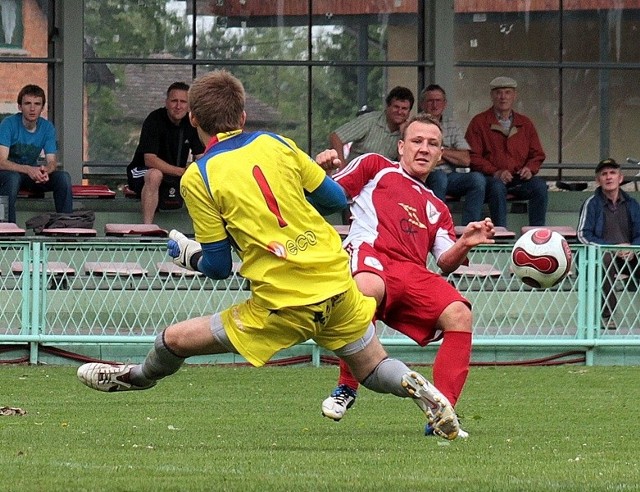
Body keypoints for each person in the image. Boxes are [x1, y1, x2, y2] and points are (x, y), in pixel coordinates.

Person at [77, 70, 462, 441]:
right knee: (372, 366)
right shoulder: (275, 143)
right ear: (243, 116)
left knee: (172, 340)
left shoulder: (200, 176)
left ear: (193, 117)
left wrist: (187, 254)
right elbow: (333, 199)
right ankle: (419, 387)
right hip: (334, 280)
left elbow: (217, 266)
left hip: (283, 301)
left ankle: (135, 376)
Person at [319, 113, 496, 437]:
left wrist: (465, 242)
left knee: (460, 313)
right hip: (372, 255)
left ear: (441, 154)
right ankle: (347, 387)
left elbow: (444, 261)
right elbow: (330, 195)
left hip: (412, 272)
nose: (424, 148)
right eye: (417, 141)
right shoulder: (375, 166)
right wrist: (324, 172)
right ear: (401, 146)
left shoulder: (437, 207)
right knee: (366, 288)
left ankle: (442, 415)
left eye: (433, 144)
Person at [465, 76, 547, 227]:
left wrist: (530, 168)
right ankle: (501, 233)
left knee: (540, 187)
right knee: (497, 188)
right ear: (492, 96)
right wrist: (496, 172)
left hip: (518, 178)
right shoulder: (479, 122)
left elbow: (537, 154)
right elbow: (472, 156)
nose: (503, 97)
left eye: (507, 92)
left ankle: (537, 233)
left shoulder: (525, 123)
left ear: (514, 96)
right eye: (498, 93)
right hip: (490, 178)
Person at [126, 82, 205, 224]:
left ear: (189, 106)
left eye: (183, 102)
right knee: (155, 174)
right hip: (142, 172)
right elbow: (149, 160)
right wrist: (182, 172)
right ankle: (146, 229)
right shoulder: (154, 120)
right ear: (167, 103)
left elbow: (201, 156)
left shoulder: (191, 123)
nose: (178, 106)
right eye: (174, 101)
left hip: (174, 175)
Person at [577, 158, 640, 330]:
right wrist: (611, 248)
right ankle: (607, 315)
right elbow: (583, 235)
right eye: (604, 174)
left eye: (612, 173)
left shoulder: (632, 204)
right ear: (598, 180)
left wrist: (633, 248)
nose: (609, 177)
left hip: (629, 255)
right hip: (599, 257)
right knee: (606, 259)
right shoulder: (592, 203)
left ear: (620, 178)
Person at [0, 84, 73, 224]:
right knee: (13, 178)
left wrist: (46, 170)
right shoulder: (8, 124)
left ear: (42, 107)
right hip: (6, 175)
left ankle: (66, 229)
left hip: (29, 176)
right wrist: (29, 169)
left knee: (63, 177)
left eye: (37, 104)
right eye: (27, 103)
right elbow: (1, 162)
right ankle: (7, 230)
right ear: (20, 107)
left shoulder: (47, 127)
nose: (32, 108)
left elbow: (51, 161)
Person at [421, 84, 486, 225]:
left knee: (477, 179)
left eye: (438, 101)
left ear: (445, 104)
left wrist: (439, 152)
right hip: (425, 176)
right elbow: (419, 158)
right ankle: (438, 227)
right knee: (439, 177)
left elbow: (465, 159)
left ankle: (469, 229)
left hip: (450, 177)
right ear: (422, 104)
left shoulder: (452, 125)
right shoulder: (416, 125)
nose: (434, 105)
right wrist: (450, 155)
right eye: (430, 101)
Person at [329, 86, 414, 170]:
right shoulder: (370, 120)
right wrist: (342, 168)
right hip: (356, 175)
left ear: (409, 112)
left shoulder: (410, 130)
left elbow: (406, 165)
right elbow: (336, 137)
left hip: (382, 179)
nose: (399, 112)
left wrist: (404, 135)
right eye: (396, 107)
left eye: (404, 108)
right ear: (387, 107)